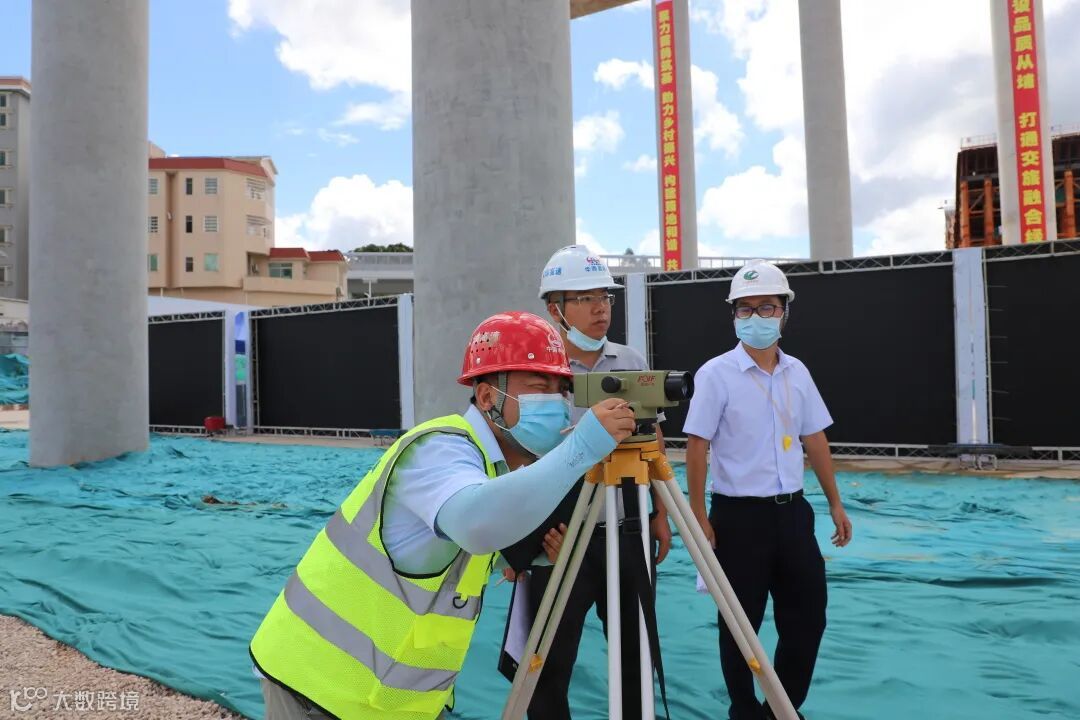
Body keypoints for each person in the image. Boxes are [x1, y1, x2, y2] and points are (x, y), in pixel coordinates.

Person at [249, 311, 637, 720]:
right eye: (540, 387)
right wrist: (581, 448)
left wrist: (522, 555)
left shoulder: (494, 470)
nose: (557, 402)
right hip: (317, 685)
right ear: (487, 398)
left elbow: (440, 552)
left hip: (390, 700)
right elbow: (474, 524)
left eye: (562, 390)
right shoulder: (439, 448)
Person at [683, 260, 853, 720]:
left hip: (793, 514)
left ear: (784, 312)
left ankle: (783, 709)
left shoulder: (798, 372)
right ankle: (743, 711)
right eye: (746, 309)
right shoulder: (716, 374)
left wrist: (835, 503)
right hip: (738, 519)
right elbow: (697, 445)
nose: (756, 317)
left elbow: (814, 438)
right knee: (741, 624)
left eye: (766, 307)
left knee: (808, 615)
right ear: (734, 315)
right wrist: (698, 514)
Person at [515, 245, 673, 720]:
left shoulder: (630, 359)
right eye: (585, 298)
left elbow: (653, 438)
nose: (601, 308)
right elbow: (518, 455)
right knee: (546, 667)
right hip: (559, 539)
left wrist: (660, 514)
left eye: (604, 297)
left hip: (628, 529)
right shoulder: (537, 373)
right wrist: (526, 535)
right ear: (555, 309)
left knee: (634, 658)